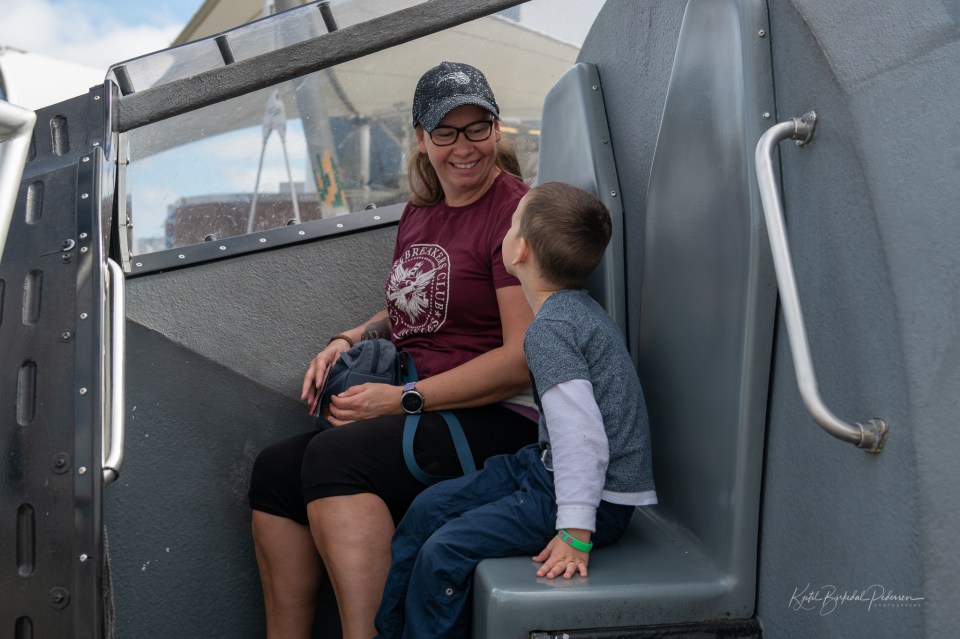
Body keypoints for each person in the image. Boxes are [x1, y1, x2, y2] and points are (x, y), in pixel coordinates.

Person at [247, 61, 539, 639]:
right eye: (446, 131)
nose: (464, 147)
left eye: (477, 128)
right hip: (425, 407)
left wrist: (401, 400)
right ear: (422, 139)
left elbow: (520, 360)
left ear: (497, 129)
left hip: (498, 419)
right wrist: (350, 337)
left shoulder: (515, 213)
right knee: (275, 471)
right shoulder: (421, 212)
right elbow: (417, 302)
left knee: (335, 459)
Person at [373, 182, 659, 638]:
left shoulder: (552, 331)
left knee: (444, 551)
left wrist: (575, 534)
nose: (505, 232)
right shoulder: (569, 311)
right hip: (546, 468)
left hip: (592, 500)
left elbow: (581, 437)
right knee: (427, 509)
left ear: (519, 250)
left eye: (510, 224)